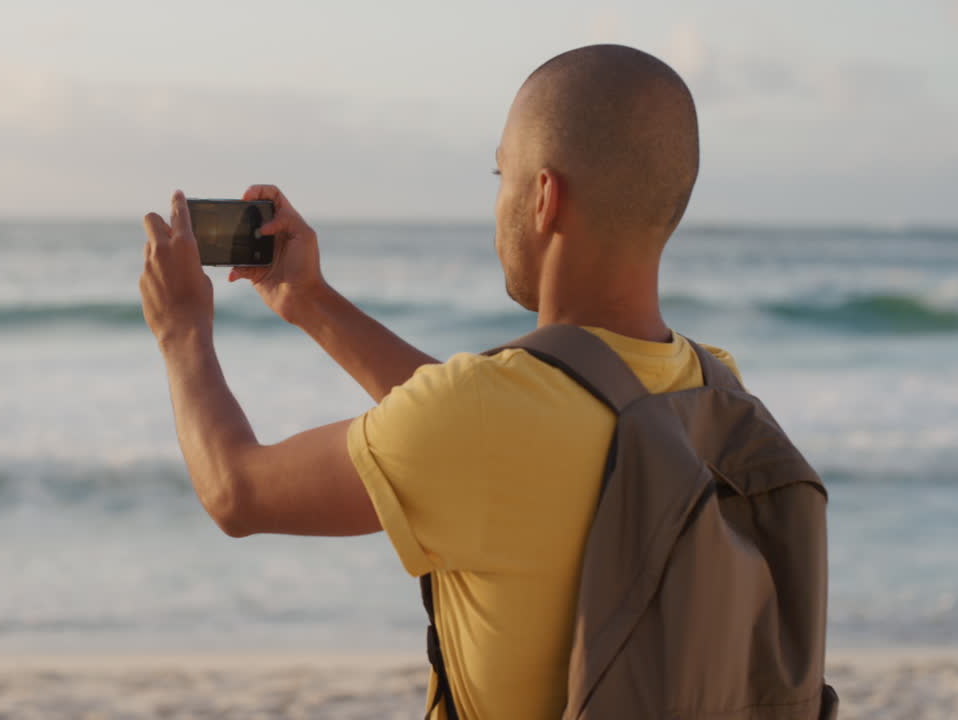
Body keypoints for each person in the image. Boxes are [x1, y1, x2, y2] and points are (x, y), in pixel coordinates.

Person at [138, 44, 742, 719]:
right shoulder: (716, 389)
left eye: (501, 175)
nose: (497, 203)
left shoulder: (483, 421)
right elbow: (480, 423)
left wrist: (181, 331)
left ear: (544, 198)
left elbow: (235, 492)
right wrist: (308, 300)